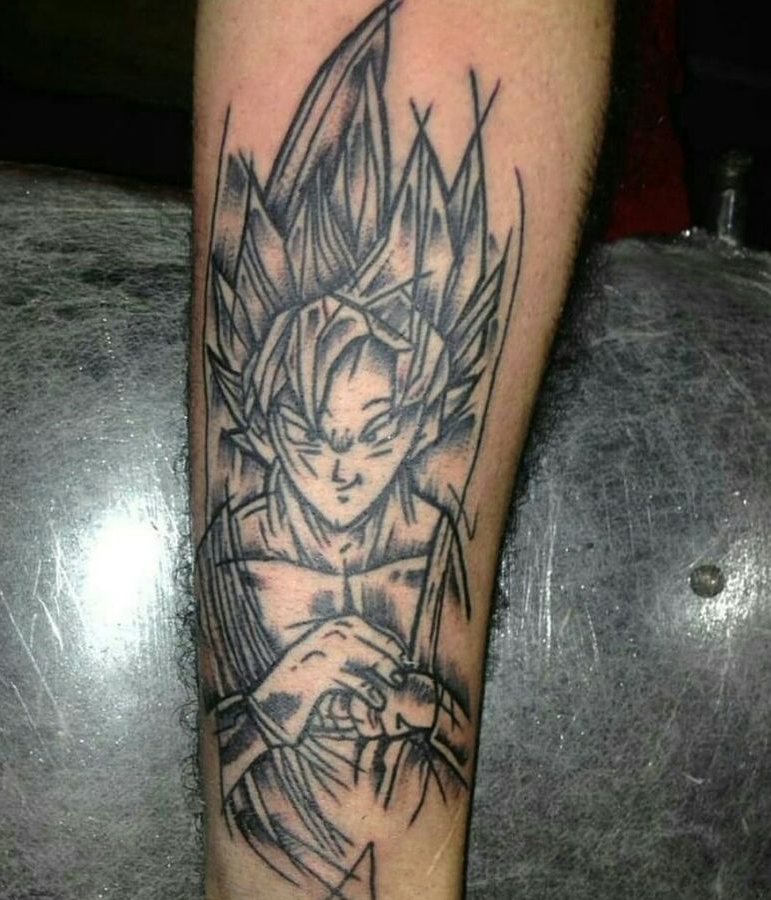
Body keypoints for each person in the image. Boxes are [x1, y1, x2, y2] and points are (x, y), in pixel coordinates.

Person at [191, 1, 614, 897]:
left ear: (419, 424)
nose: (343, 467)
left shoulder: (431, 538)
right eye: (310, 437)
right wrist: (282, 698)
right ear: (268, 425)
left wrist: (419, 708)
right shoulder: (241, 543)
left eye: (375, 435)